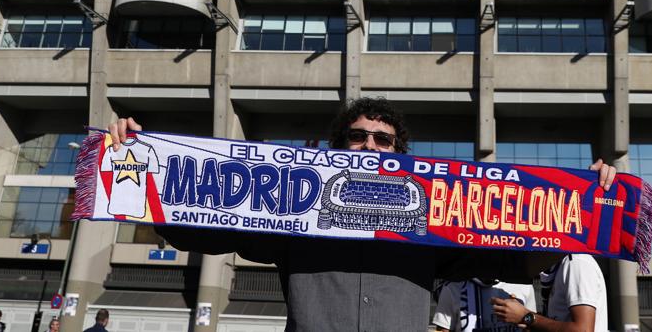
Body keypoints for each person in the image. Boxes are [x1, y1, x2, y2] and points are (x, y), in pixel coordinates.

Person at [107, 97, 617, 332]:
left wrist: (590, 203)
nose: (370, 145)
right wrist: (142, 161)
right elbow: (193, 227)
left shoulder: (434, 225)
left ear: (399, 154)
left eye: (383, 139)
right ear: (336, 148)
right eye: (358, 136)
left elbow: (523, 261)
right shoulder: (291, 217)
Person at [491, 254, 607, 332]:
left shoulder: (577, 263)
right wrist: (520, 315)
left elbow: (583, 330)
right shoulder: (557, 267)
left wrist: (526, 317)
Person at [433, 278, 536, 332]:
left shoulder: (524, 286)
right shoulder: (453, 287)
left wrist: (521, 317)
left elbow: (533, 327)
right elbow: (443, 329)